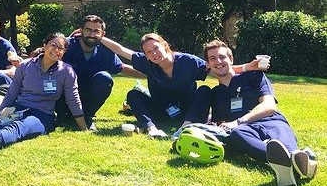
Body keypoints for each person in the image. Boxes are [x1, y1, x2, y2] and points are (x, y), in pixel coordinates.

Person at [185, 40, 317, 186]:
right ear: (208, 64)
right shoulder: (215, 94)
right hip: (243, 130)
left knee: (284, 144)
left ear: (231, 59)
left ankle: (292, 161)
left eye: (222, 57)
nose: (218, 62)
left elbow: (269, 106)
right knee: (237, 135)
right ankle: (297, 162)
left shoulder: (254, 76)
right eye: (213, 58)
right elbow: (218, 124)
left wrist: (239, 121)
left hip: (270, 120)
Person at [100, 33, 264, 139]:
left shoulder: (188, 61)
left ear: (165, 46)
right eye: (148, 52)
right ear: (146, 56)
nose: (154, 53)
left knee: (204, 90)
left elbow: (218, 67)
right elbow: (121, 50)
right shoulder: (147, 63)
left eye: (156, 48)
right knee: (133, 95)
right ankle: (152, 129)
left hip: (189, 112)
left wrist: (247, 67)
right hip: (162, 110)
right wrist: (99, 37)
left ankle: (184, 130)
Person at [0, 32, 89, 159]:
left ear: (64, 52)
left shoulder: (66, 71)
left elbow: (73, 99)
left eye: (61, 48)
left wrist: (84, 128)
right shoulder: (26, 65)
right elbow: (11, 94)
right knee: (1, 123)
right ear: (45, 46)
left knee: (19, 127)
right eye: (53, 45)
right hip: (19, 109)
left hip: (42, 115)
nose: (56, 50)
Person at [58, 15, 143, 131]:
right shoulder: (66, 46)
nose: (92, 35)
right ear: (81, 31)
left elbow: (122, 67)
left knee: (105, 79)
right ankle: (62, 116)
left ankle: (86, 117)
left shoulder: (104, 50)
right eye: (88, 30)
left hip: (87, 94)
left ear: (103, 34)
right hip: (64, 92)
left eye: (96, 31)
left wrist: (150, 75)